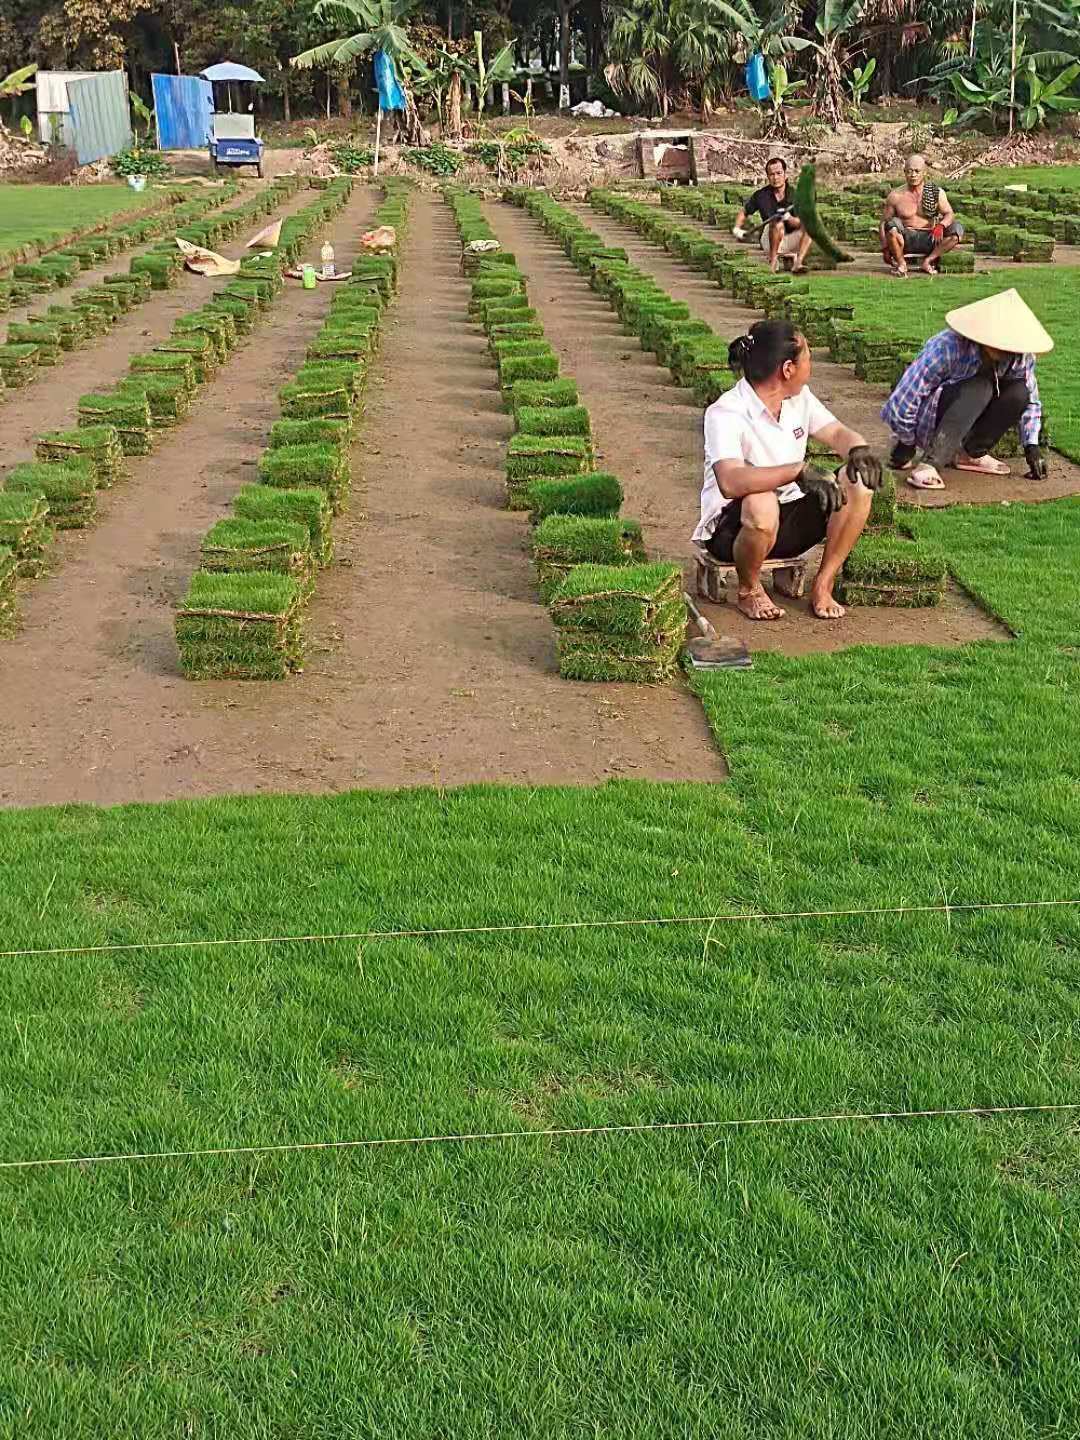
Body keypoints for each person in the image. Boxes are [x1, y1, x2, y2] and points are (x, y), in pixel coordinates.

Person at [693, 319, 883, 621]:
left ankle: (823, 583)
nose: (811, 365)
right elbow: (730, 481)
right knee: (762, 500)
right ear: (787, 369)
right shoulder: (726, 412)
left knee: (857, 482)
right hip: (733, 532)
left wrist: (858, 450)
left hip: (789, 522)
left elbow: (836, 434)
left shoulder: (799, 399)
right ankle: (748, 590)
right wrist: (797, 471)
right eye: (807, 357)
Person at [882, 288, 1052, 491]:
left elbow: (1031, 399)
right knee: (980, 386)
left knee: (1019, 392)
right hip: (934, 418)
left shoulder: (1020, 356)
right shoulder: (947, 346)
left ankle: (971, 453)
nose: (1006, 350)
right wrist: (906, 442)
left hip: (972, 413)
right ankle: (930, 463)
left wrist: (1031, 445)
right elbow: (904, 399)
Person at [881, 154, 964, 277]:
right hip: (906, 238)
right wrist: (885, 248)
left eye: (916, 171)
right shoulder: (896, 196)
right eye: (909, 171)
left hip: (931, 238)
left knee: (957, 229)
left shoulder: (936, 193)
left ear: (924, 172)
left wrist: (941, 225)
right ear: (904, 172)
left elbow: (949, 213)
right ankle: (901, 263)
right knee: (891, 224)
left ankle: (928, 260)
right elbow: (883, 223)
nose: (913, 175)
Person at [732, 157, 813, 275]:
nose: (775, 178)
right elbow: (744, 212)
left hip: (790, 239)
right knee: (777, 223)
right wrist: (737, 228)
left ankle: (798, 263)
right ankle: (773, 262)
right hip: (769, 241)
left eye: (779, 173)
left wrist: (788, 218)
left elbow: (801, 223)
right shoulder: (761, 195)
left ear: (785, 175)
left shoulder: (796, 195)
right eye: (771, 174)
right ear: (768, 176)